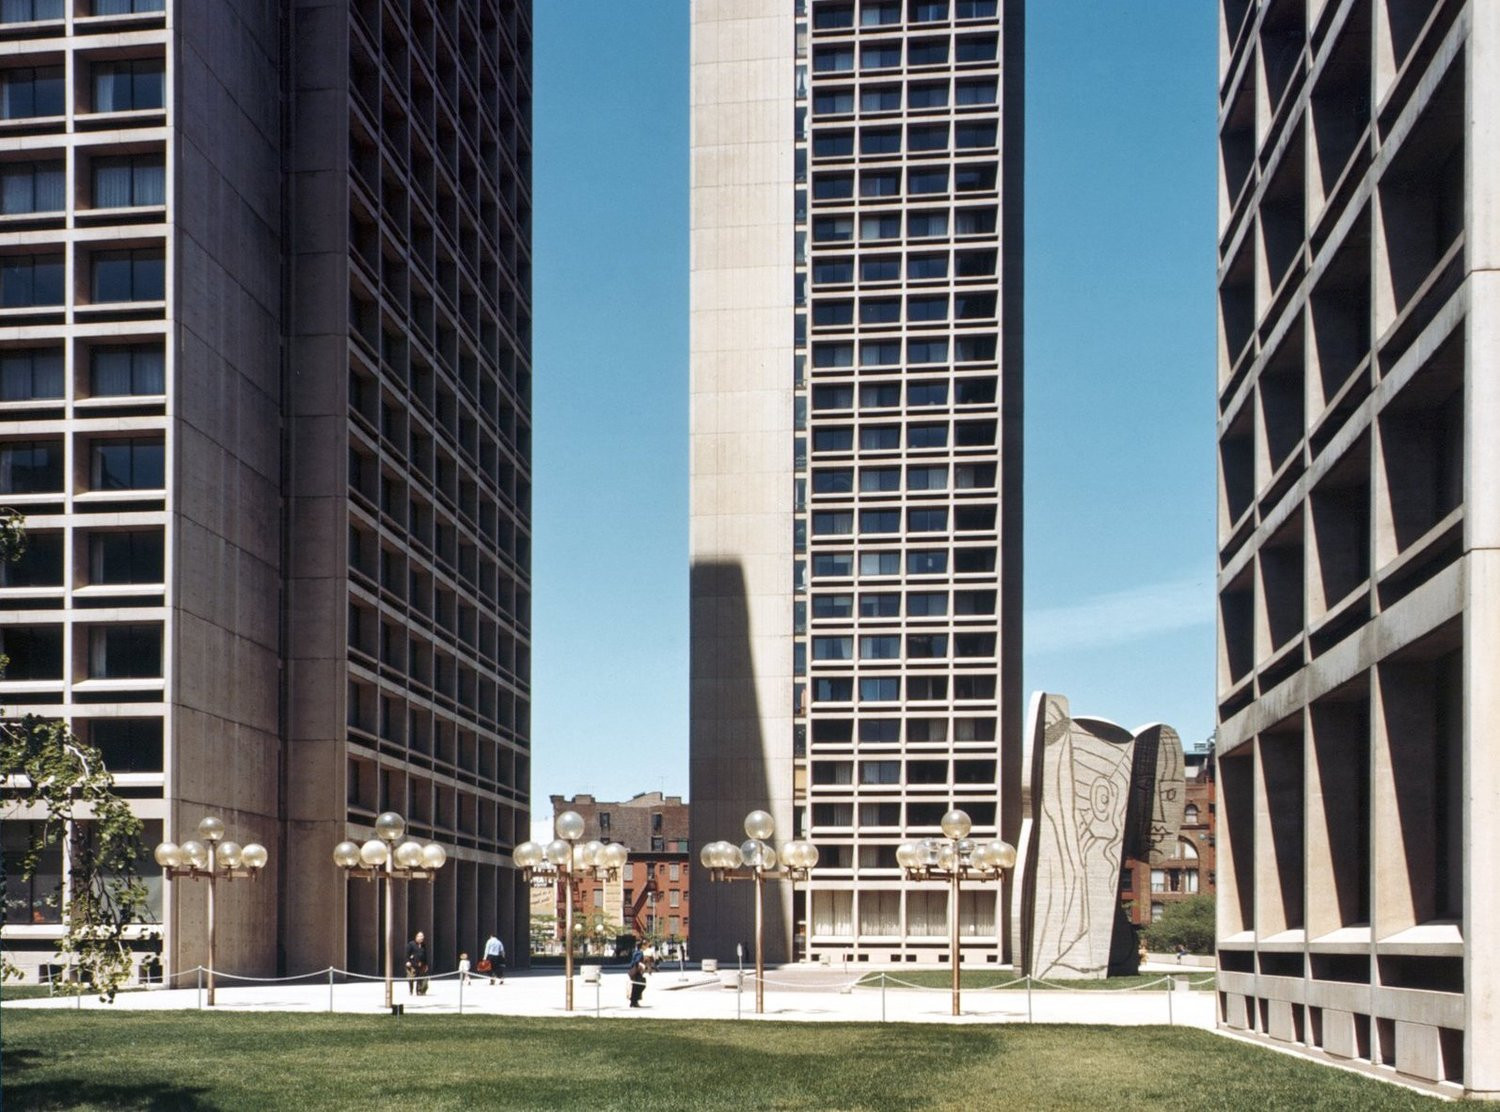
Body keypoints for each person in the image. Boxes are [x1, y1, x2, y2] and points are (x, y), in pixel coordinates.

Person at [405, 931, 429, 995]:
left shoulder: (423, 945)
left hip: (421, 965)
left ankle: (419, 991)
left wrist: (426, 964)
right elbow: (407, 954)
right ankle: (411, 990)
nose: (422, 938)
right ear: (417, 937)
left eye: (422, 936)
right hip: (412, 965)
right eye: (420, 936)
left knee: (420, 978)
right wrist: (407, 961)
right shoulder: (411, 944)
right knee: (411, 979)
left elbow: (425, 955)